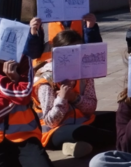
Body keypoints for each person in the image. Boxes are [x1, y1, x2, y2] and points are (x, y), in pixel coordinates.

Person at [32, 29, 115, 158]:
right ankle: (116, 137)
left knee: (118, 118)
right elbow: (50, 122)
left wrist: (75, 98)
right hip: (54, 130)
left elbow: (91, 108)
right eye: (71, 52)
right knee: (83, 132)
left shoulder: (84, 73)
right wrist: (62, 99)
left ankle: (72, 145)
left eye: (79, 50)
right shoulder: (46, 80)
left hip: (83, 121)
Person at [27, 0, 102, 68]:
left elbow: (94, 50)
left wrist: (90, 28)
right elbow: (32, 53)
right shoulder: (41, 21)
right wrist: (33, 34)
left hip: (78, 68)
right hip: (49, 70)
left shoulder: (84, 19)